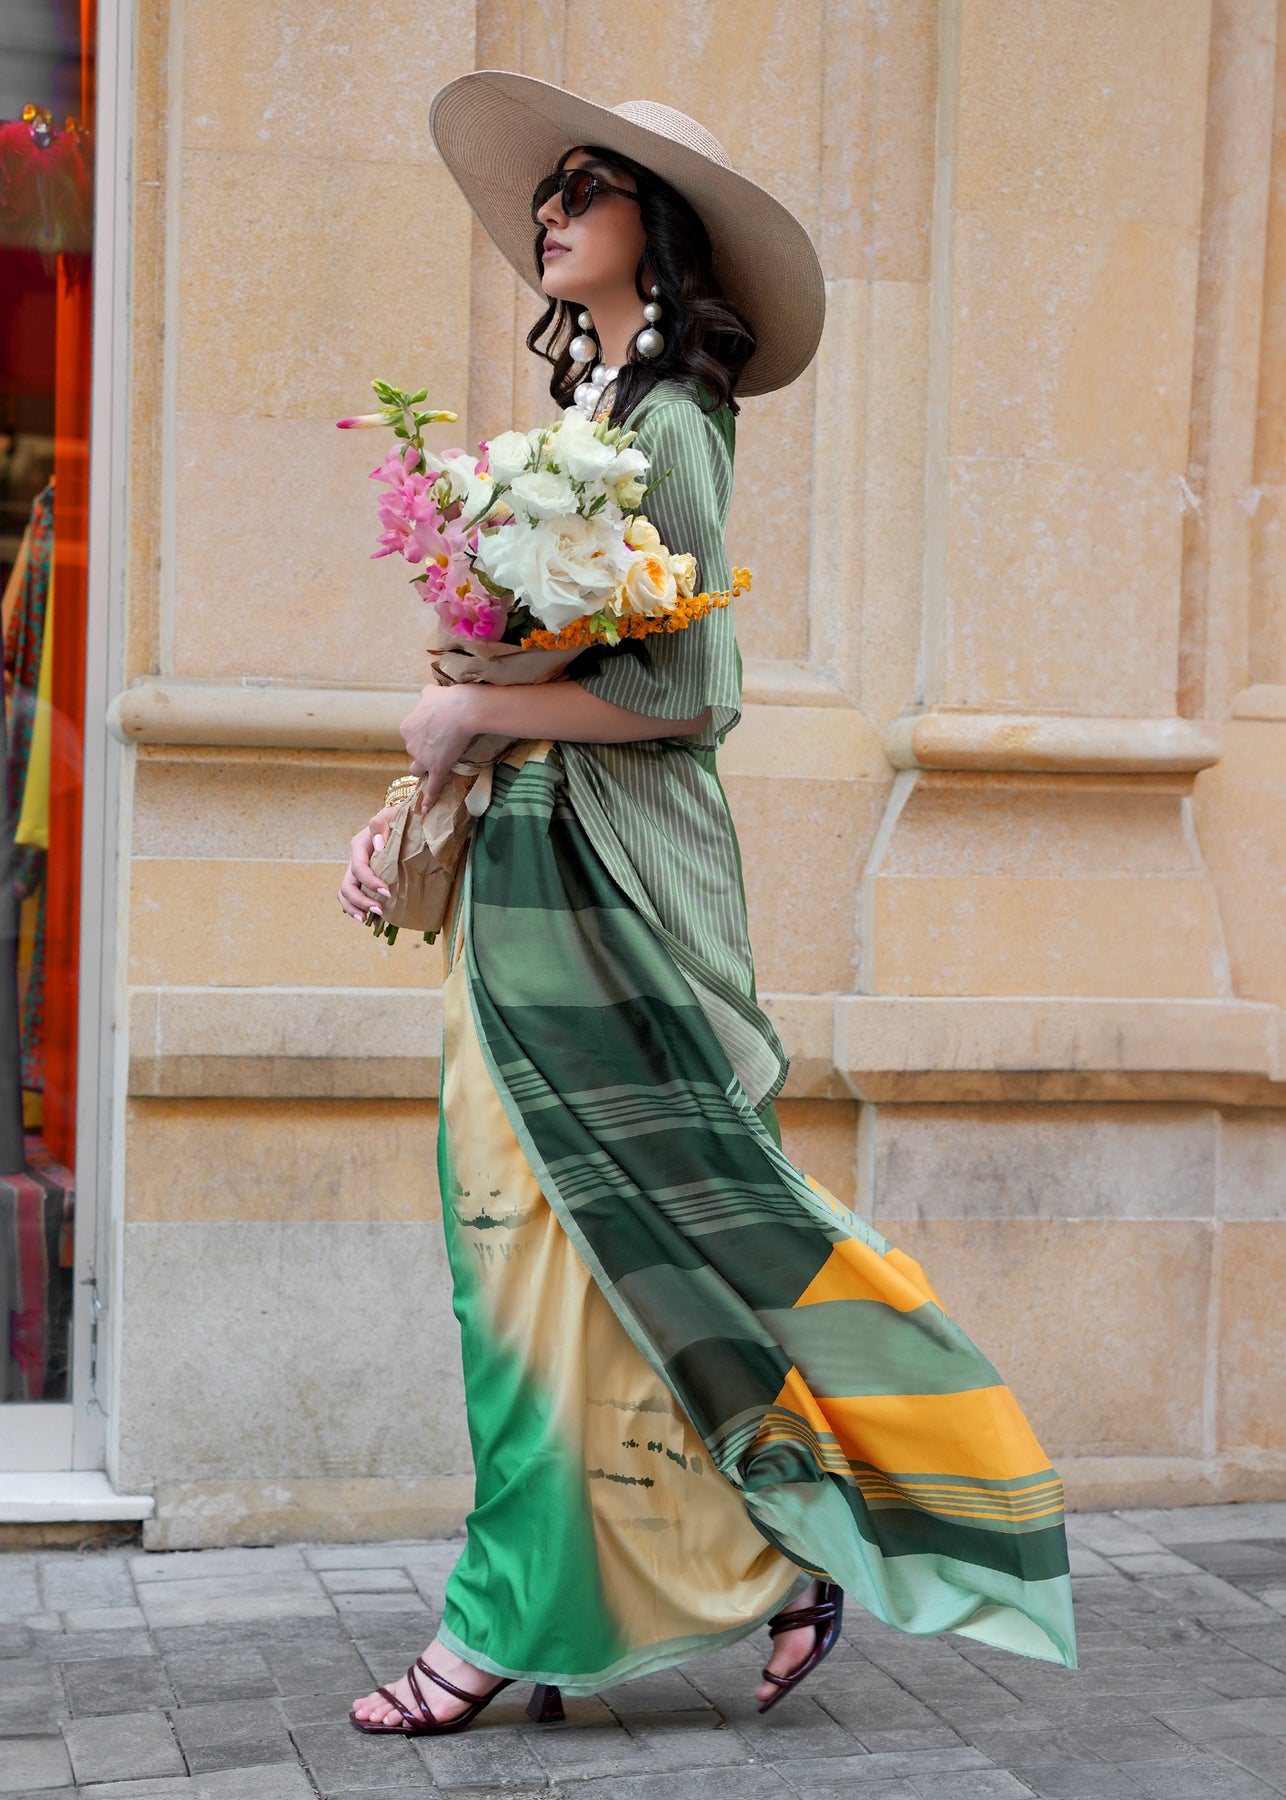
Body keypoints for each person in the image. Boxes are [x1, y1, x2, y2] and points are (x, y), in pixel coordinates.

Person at [338, 71, 1077, 1738]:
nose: (551, 212)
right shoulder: (590, 415)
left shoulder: (668, 422)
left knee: (551, 1253)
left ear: (656, 228)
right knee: (543, 1257)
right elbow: (520, 682)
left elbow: (684, 693)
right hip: (523, 872)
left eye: (585, 188)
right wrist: (411, 797)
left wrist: (471, 712)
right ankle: (755, 1552)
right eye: (547, 191)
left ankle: (518, 1615)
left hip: (597, 893)